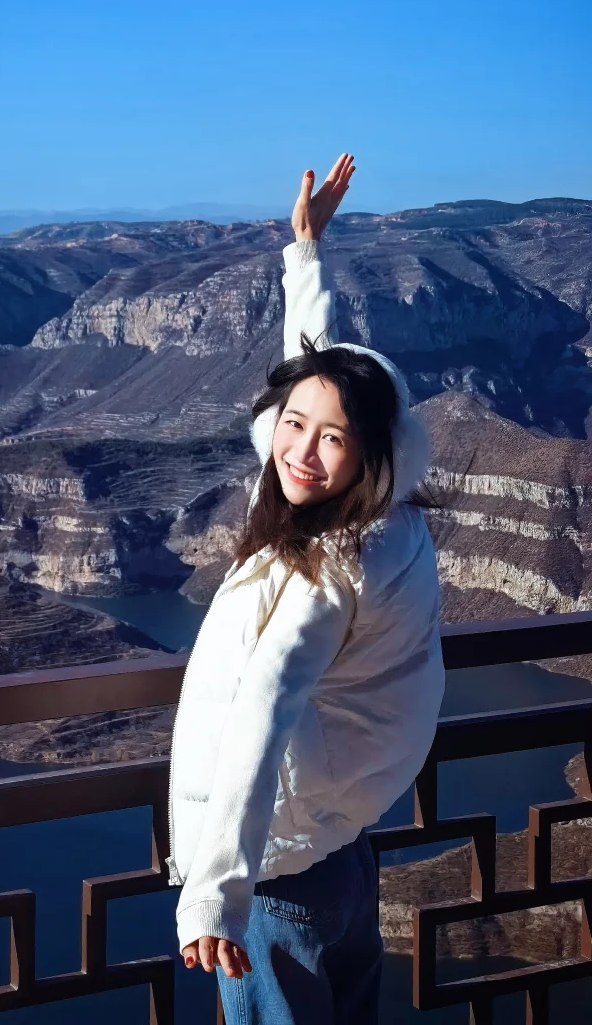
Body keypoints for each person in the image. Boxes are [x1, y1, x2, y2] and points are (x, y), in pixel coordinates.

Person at [166, 153, 445, 1024]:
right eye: (292, 427)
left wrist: (216, 891)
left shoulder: (330, 568)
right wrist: (306, 253)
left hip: (276, 876)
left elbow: (263, 706)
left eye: (334, 439)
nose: (301, 452)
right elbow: (310, 376)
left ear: (373, 452)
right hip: (340, 848)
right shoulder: (386, 518)